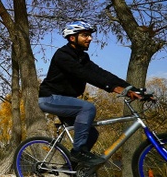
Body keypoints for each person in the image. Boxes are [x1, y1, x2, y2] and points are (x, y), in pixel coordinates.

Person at [38, 20, 142, 167]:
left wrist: (132, 88)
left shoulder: (82, 57)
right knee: (87, 108)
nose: (90, 39)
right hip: (50, 98)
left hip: (65, 100)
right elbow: (84, 74)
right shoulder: (63, 55)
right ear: (72, 38)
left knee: (92, 134)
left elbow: (100, 73)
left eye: (90, 35)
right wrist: (113, 88)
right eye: (85, 35)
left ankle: (72, 170)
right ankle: (78, 151)